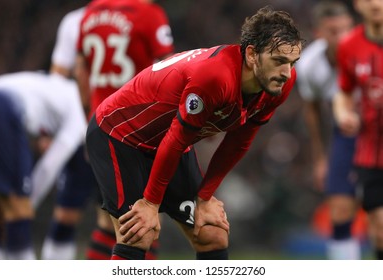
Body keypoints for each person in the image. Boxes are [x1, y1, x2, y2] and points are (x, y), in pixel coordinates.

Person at [85, 6, 303, 260]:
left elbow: (239, 142)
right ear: (252, 54)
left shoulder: (278, 83)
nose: (287, 72)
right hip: (120, 136)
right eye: (278, 61)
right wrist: (151, 203)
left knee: (212, 234)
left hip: (168, 146)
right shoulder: (215, 77)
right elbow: (176, 139)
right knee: (140, 233)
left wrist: (205, 197)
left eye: (292, 62)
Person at [38, 0, 174, 260]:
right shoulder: (149, 13)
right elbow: (170, 67)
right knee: (147, 222)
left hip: (99, 127)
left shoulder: (90, 14)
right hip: (138, 129)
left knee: (108, 221)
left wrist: (88, 115)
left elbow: (80, 70)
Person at [0, 71, 87, 259]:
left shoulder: (56, 87)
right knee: (17, 210)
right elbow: (49, 167)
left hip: (0, 98)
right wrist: (29, 203)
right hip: (2, 105)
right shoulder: (78, 115)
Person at [295, 1, 361, 259]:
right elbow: (312, 110)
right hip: (344, 133)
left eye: (346, 29)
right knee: (340, 208)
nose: (342, 36)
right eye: (334, 30)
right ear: (319, 33)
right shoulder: (309, 65)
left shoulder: (370, 50)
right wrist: (320, 158)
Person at [333, 0, 383, 260]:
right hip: (370, 151)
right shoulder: (349, 45)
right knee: (380, 229)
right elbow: (344, 93)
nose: (375, 3)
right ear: (357, 5)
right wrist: (344, 114)